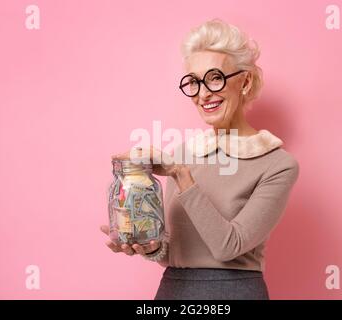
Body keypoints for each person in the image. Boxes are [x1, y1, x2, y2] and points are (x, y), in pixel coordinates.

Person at [100, 18, 299, 300]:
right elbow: (173, 250)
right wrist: (148, 245)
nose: (203, 94)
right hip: (173, 291)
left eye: (215, 77)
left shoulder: (278, 165)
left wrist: (181, 174)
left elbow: (228, 246)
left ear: (245, 81)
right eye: (193, 81)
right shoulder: (182, 156)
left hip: (235, 293)